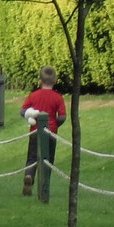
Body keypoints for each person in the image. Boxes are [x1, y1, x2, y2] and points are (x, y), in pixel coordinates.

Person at [20, 66, 66, 197]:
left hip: (35, 131)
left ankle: (29, 175)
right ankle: (45, 185)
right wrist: (55, 124)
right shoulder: (58, 97)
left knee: (32, 157)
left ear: (40, 81)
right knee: (48, 159)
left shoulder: (33, 95)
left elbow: (23, 111)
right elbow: (62, 116)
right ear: (55, 80)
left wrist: (30, 116)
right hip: (51, 132)